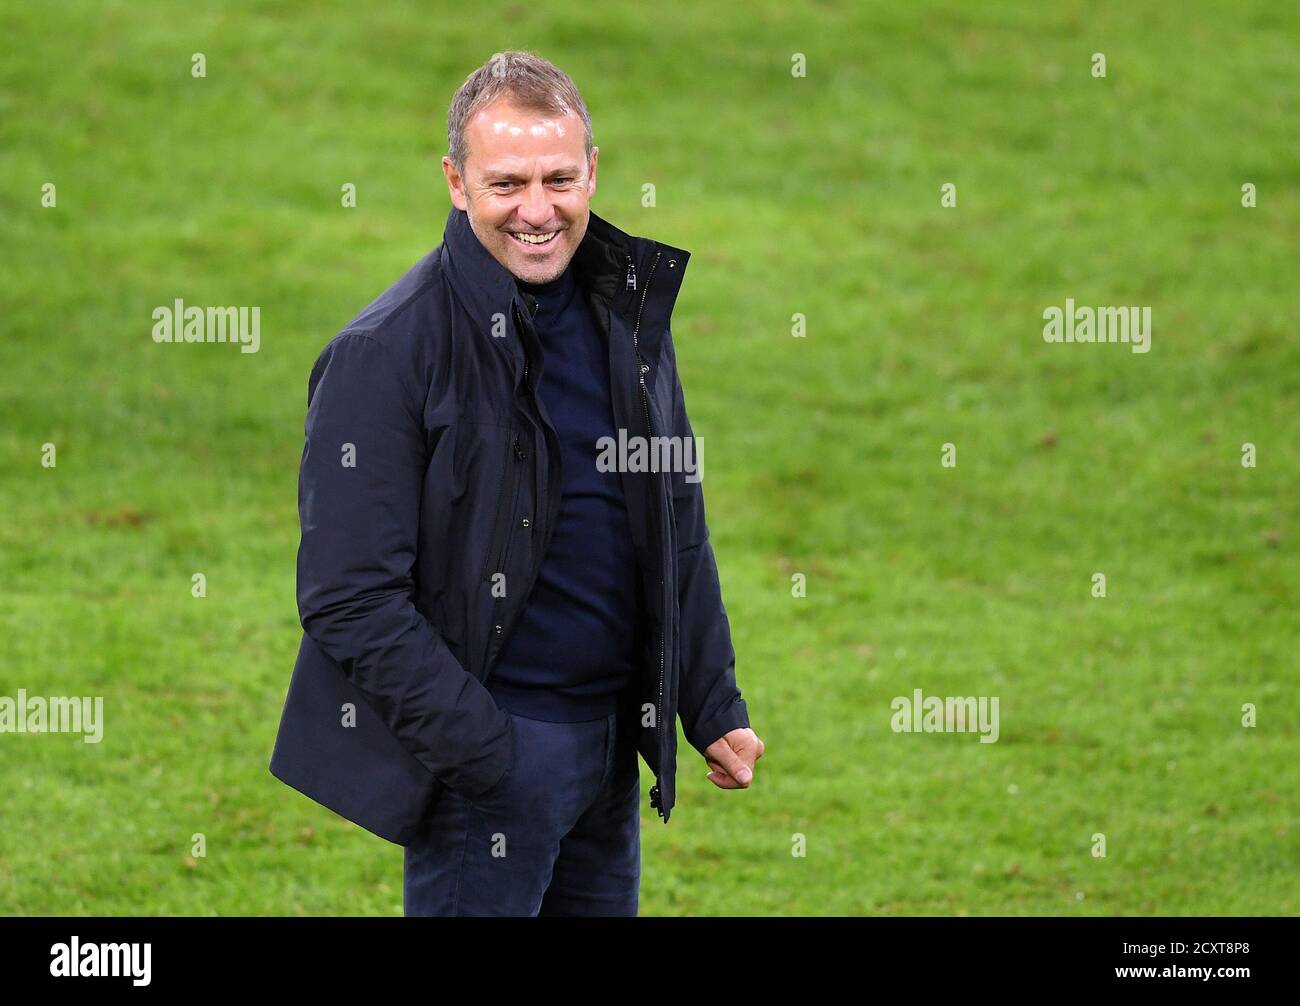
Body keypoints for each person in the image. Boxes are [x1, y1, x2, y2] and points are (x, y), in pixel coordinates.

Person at [268, 49, 764, 916]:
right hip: (493, 764)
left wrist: (708, 699)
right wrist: (489, 753)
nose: (537, 211)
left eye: (558, 179)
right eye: (506, 185)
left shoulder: (627, 314)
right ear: (456, 183)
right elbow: (349, 596)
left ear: (594, 172)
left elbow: (672, 517)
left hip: (610, 753)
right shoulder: (385, 354)